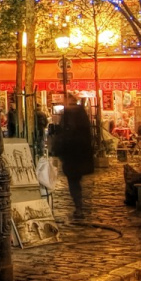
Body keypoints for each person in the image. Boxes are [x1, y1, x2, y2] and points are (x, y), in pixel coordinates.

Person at [47, 92, 96, 221]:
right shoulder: (81, 113)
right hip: (79, 154)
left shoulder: (69, 114)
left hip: (72, 154)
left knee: (74, 182)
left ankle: (79, 207)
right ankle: (79, 205)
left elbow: (66, 135)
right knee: (76, 181)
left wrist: (58, 148)